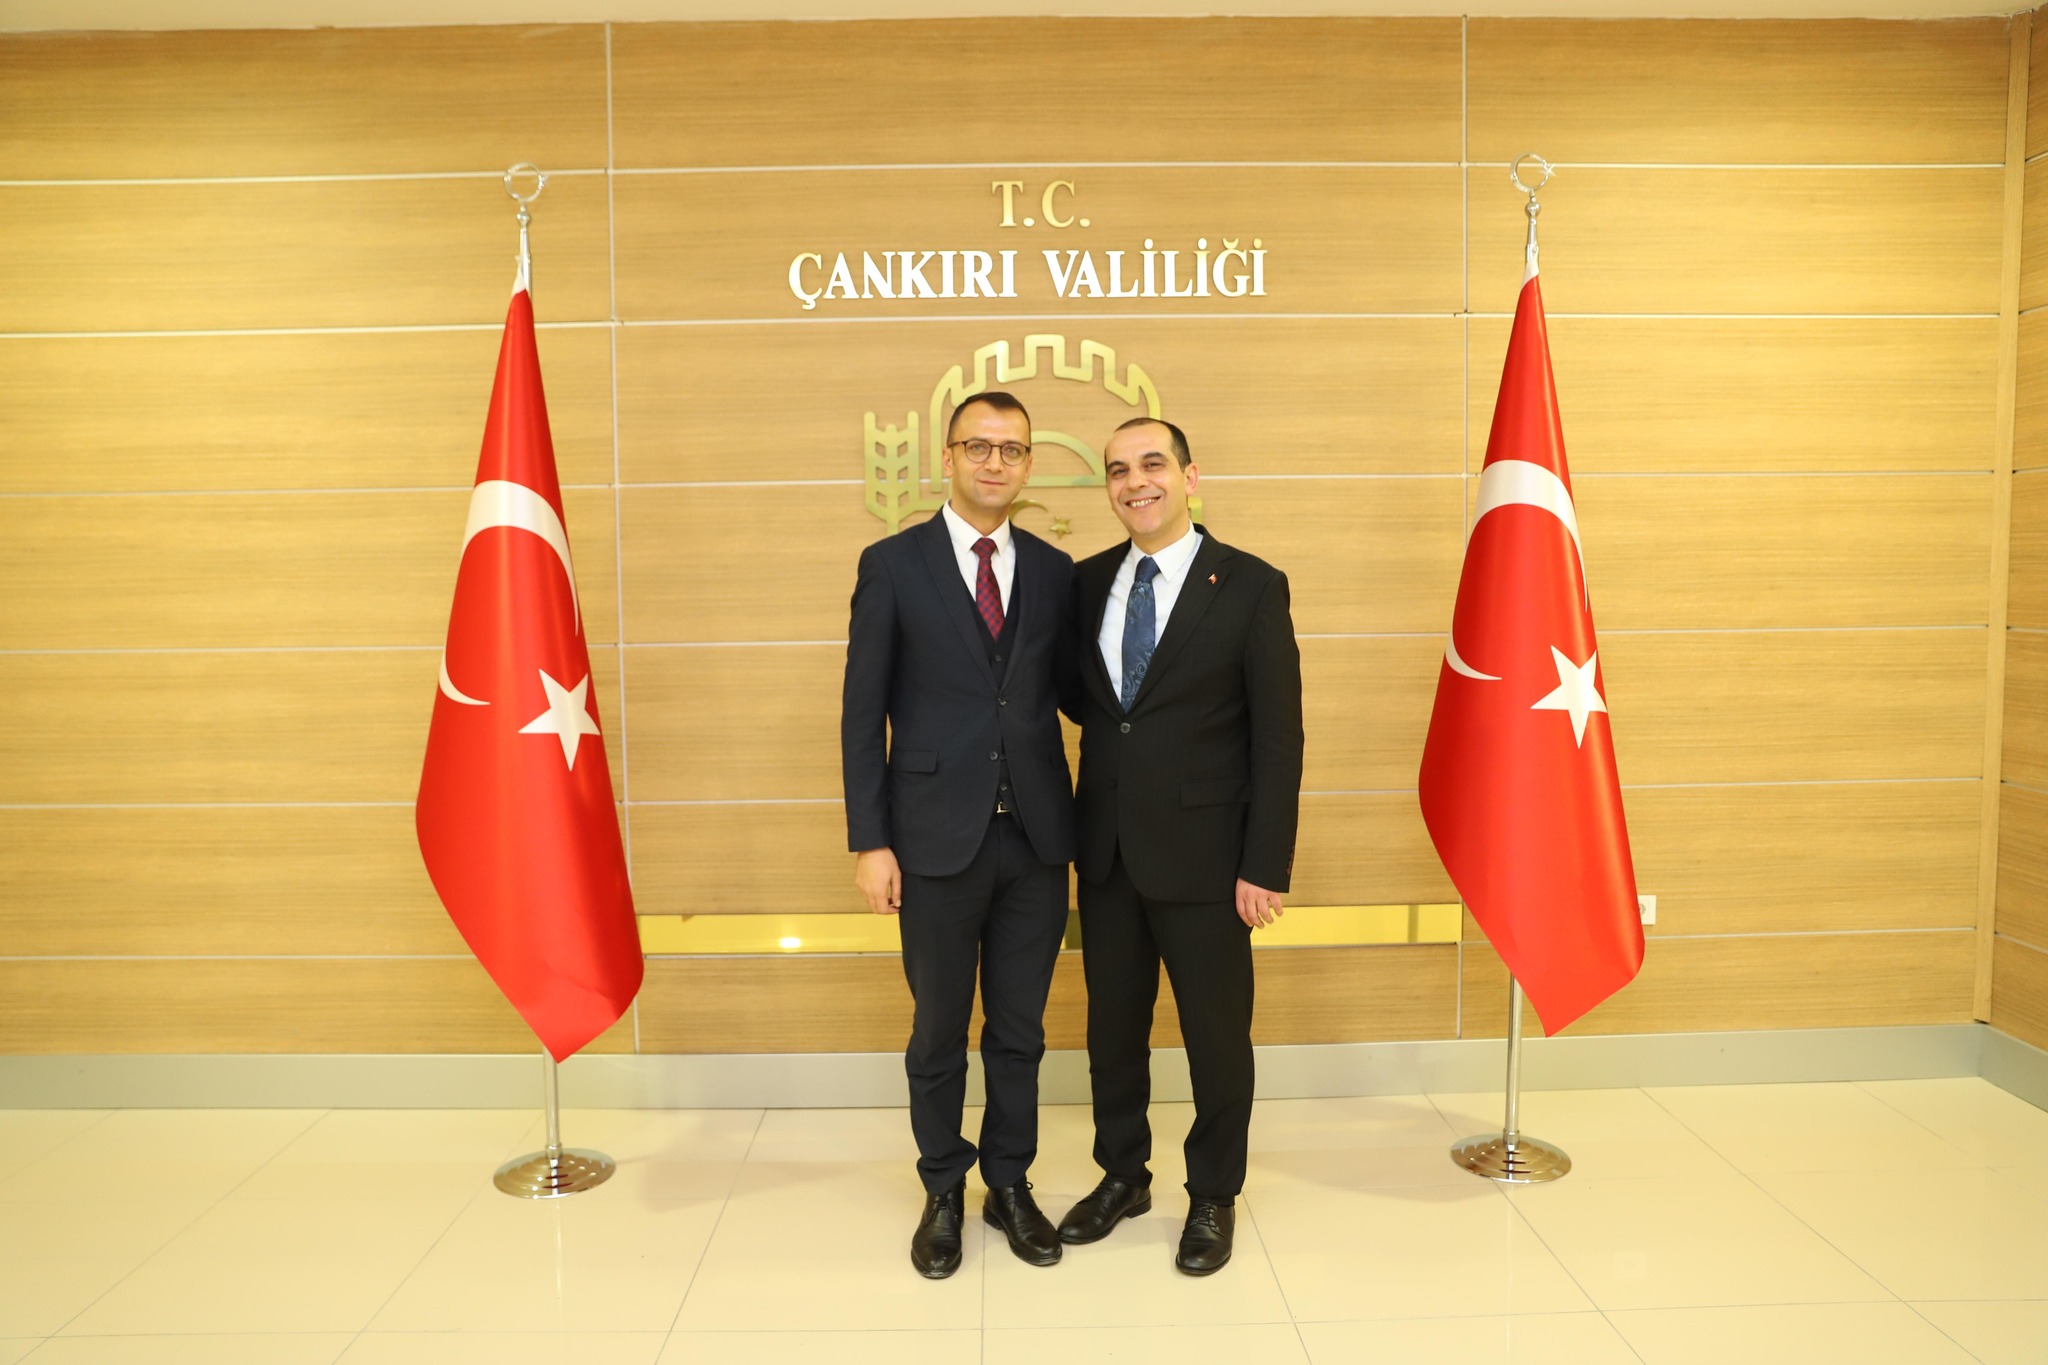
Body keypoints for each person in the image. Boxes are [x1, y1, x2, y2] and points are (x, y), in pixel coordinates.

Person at [840, 390, 1080, 1279]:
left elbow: (1068, 693)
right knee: (939, 1028)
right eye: (978, 446)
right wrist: (871, 840)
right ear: (947, 457)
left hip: (1036, 840)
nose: (994, 462)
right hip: (932, 839)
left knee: (1020, 1029)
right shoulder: (892, 564)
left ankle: (1008, 1182)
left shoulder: (1054, 571)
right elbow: (862, 712)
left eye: (1011, 449)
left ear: (1029, 464)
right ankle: (942, 1184)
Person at [1056, 416, 1304, 1275]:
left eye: (1153, 464)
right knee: (1112, 1035)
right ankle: (1123, 1175)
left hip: (1209, 859)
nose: (1136, 482)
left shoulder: (1251, 584)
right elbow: (1090, 704)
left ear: (1190, 476)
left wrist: (1264, 864)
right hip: (1108, 852)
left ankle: (1213, 1193)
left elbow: (1278, 739)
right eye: (1118, 470)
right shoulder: (1086, 583)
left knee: (1215, 1038)